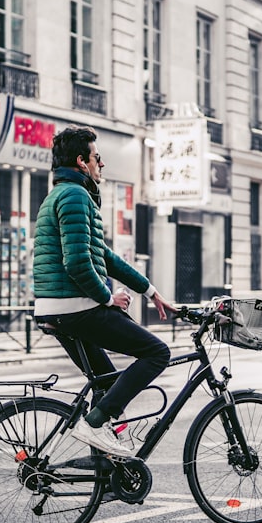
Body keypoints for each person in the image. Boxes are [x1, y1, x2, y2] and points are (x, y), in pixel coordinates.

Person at [33, 125, 176, 457]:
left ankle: (104, 463)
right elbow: (78, 262)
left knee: (107, 383)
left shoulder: (65, 194)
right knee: (157, 353)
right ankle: (94, 424)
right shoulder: (73, 195)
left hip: (59, 307)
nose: (102, 164)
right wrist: (107, 298)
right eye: (98, 157)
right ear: (82, 162)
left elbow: (104, 257)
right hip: (74, 306)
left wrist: (150, 290)